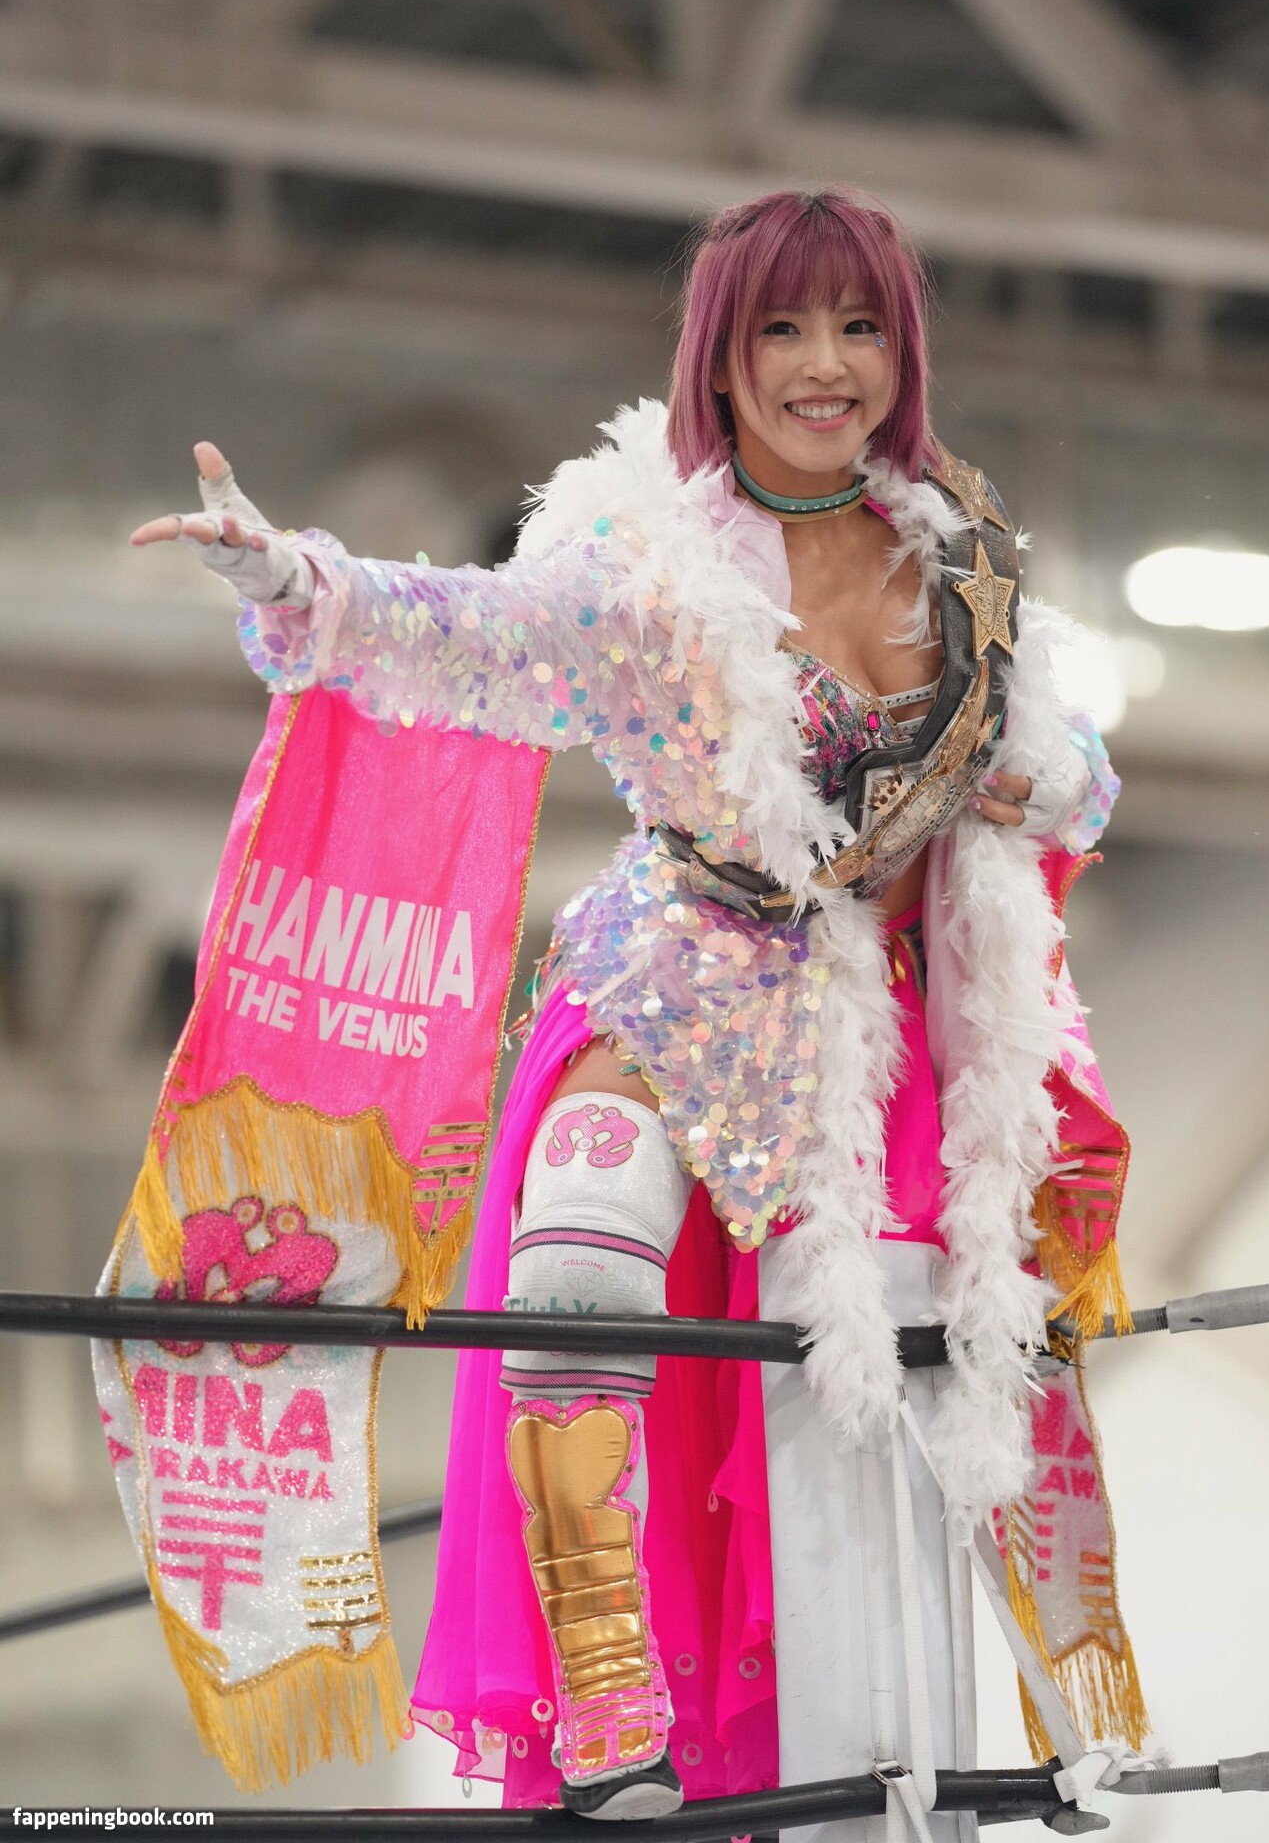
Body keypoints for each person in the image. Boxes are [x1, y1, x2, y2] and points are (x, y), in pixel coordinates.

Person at [131, 188, 1133, 1829]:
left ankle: (1003, 1718)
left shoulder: (961, 549)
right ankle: (605, 1694)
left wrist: (1047, 779)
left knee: (956, 1357)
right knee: (575, 1254)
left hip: (884, 1018)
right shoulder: (641, 558)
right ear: (720, 360)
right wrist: (296, 576)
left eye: (860, 327)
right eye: (783, 330)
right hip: (674, 978)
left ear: (904, 352)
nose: (825, 366)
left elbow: (1073, 764)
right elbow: (473, 638)